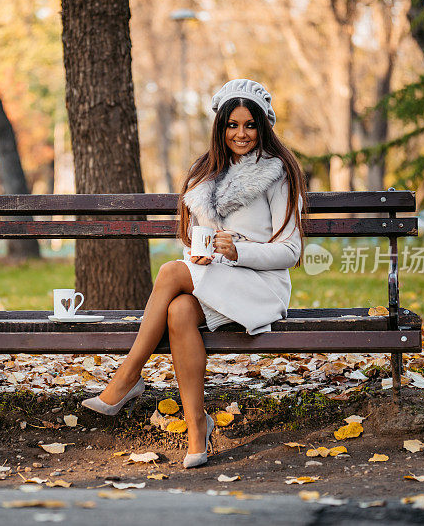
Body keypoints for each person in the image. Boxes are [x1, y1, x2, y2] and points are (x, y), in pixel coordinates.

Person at [82, 79, 307, 468]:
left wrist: (238, 251)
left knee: (171, 272)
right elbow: (196, 241)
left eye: (250, 125)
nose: (241, 133)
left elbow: (291, 251)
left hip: (260, 286)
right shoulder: (204, 174)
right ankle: (196, 428)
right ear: (219, 128)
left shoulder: (277, 173)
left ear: (263, 126)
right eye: (232, 125)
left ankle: (127, 377)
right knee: (179, 311)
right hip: (218, 279)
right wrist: (199, 257)